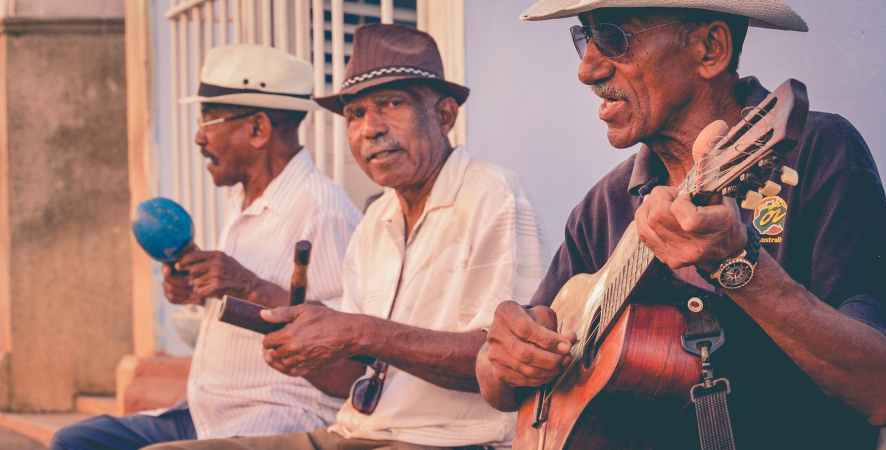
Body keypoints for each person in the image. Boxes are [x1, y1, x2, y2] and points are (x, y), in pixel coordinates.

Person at [476, 1, 886, 449]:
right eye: (584, 39)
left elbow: (885, 389)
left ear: (711, 49)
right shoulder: (604, 205)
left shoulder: (819, 153)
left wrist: (740, 264)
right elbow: (501, 388)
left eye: (612, 37)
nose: (587, 69)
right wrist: (504, 355)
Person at [142, 24, 546, 450]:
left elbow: (503, 361)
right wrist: (306, 355)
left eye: (391, 104)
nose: (369, 129)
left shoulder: (492, 194)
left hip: (442, 440)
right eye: (355, 114)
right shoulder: (376, 220)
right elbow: (350, 378)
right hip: (352, 432)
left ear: (444, 115)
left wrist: (359, 332)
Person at [51, 44, 361, 450]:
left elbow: (350, 349)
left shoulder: (323, 211)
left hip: (275, 416)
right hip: (206, 414)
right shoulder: (243, 198)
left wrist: (247, 285)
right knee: (77, 441)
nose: (199, 136)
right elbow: (240, 298)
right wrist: (200, 291)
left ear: (258, 130)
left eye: (209, 118)